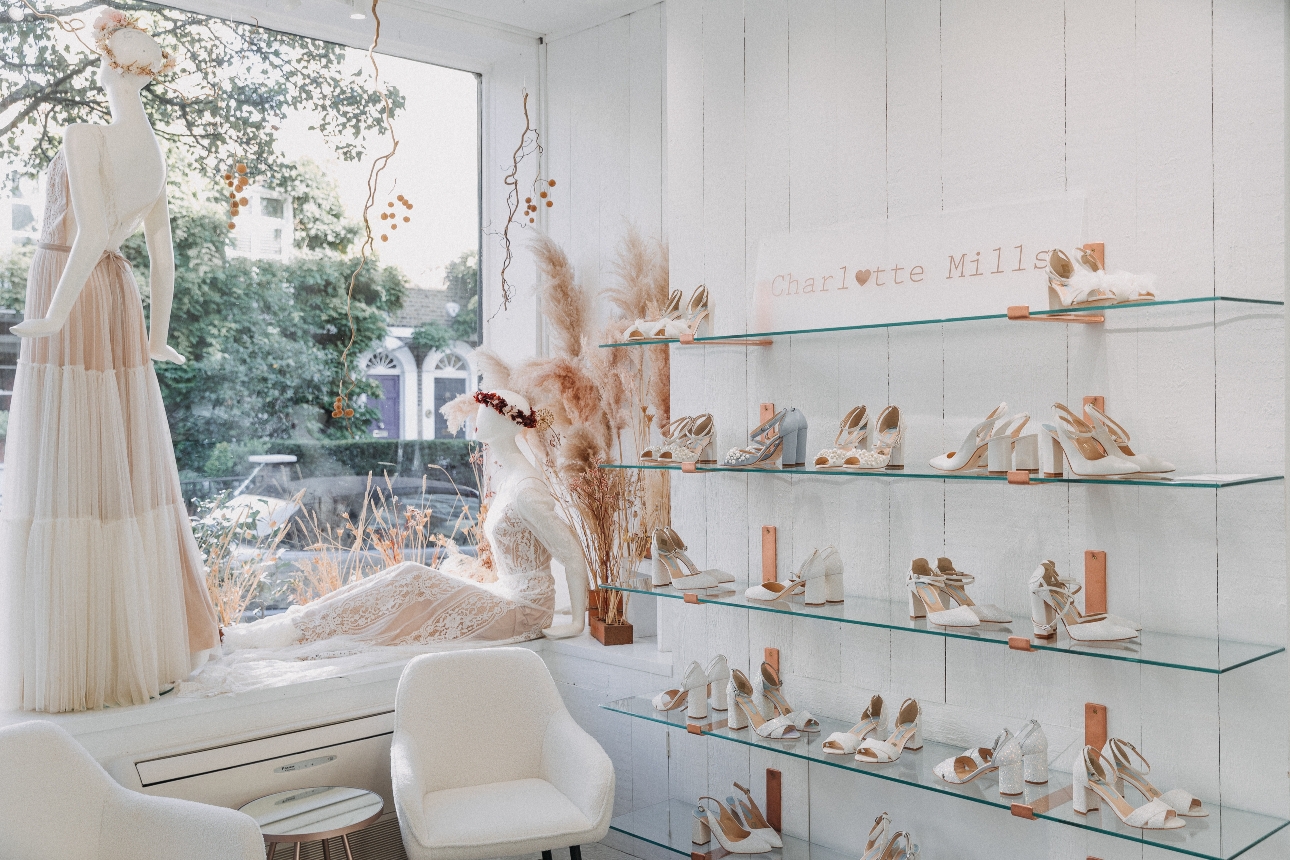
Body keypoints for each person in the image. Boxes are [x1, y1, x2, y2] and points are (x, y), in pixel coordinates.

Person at [0, 12, 219, 713]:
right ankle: (135, 645)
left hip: (70, 282)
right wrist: (155, 337)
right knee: (116, 464)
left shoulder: (85, 134)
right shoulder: (151, 152)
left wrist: (53, 317)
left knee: (66, 470)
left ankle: (73, 661)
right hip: (116, 296)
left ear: (112, 66)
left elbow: (92, 231)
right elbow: (161, 256)